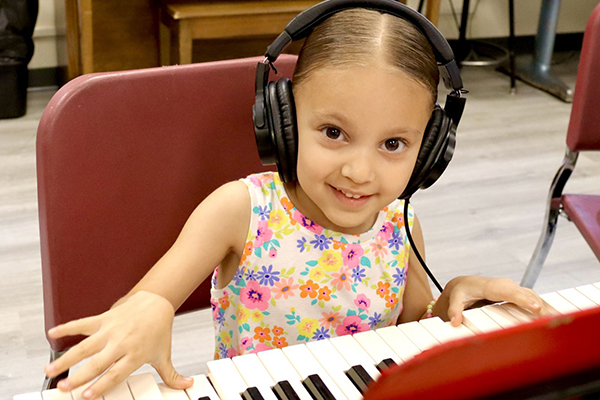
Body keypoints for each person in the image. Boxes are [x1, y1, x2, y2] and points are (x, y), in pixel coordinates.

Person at [43, 3, 551, 400]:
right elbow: (147, 302)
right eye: (333, 132)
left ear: (430, 149)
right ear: (281, 121)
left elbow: (412, 332)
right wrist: (149, 308)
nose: (359, 171)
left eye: (393, 144)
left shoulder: (401, 224)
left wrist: (455, 300)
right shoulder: (241, 210)